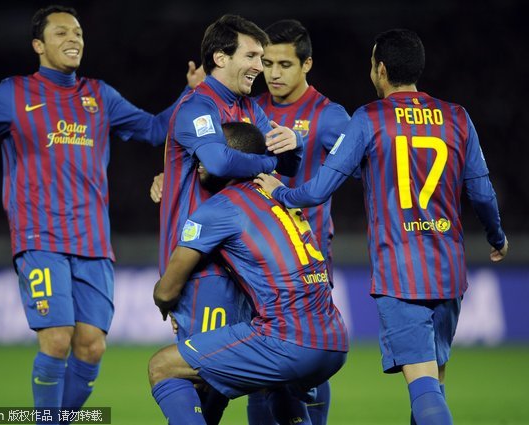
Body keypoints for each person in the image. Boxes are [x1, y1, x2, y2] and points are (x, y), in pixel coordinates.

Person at [0, 5, 200, 422]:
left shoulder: (100, 95)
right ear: (38, 45)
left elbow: (154, 129)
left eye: (77, 32)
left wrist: (192, 95)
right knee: (57, 339)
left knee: (92, 345)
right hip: (39, 238)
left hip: (93, 242)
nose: (73, 39)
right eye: (61, 33)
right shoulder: (13, 93)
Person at [256, 28, 508, 425]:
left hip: (401, 272)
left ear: (381, 70)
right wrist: (497, 237)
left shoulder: (370, 118)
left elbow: (319, 189)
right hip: (449, 270)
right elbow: (482, 192)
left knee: (423, 388)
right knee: (434, 386)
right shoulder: (458, 116)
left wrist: (279, 194)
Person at [150, 121, 348, 425]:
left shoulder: (220, 208)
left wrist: (165, 303)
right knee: (275, 386)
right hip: (333, 337)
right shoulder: (278, 195)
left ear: (229, 159)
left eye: (209, 154)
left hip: (288, 339)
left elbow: (166, 291)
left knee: (162, 366)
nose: (201, 162)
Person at [157, 14, 302, 424]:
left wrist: (295, 142)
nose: (261, 65)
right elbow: (218, 160)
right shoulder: (197, 106)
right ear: (220, 57)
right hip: (205, 265)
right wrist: (271, 158)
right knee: (203, 379)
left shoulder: (250, 107)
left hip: (244, 264)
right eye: (252, 55)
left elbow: (290, 161)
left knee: (231, 381)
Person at [248, 19, 351, 425]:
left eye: (284, 64)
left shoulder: (329, 116)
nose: (273, 73)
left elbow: (362, 168)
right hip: (254, 256)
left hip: (306, 257)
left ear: (306, 64)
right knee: (258, 366)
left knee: (308, 361)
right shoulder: (251, 108)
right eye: (267, 62)